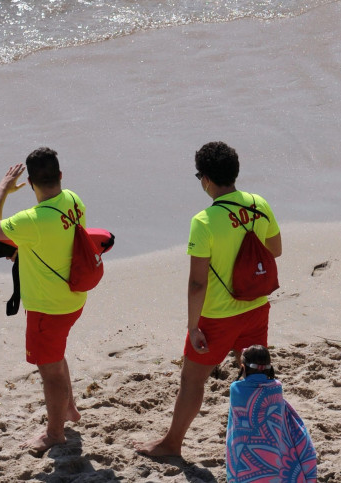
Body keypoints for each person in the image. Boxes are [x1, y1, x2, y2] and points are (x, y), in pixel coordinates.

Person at [136, 141, 282, 458]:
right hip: (257, 306)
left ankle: (171, 444)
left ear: (205, 179)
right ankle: (263, 439)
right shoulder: (259, 204)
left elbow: (198, 282)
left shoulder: (203, 221)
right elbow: (276, 249)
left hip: (218, 316)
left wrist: (192, 326)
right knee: (256, 375)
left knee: (192, 381)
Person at [0, 147, 87, 452]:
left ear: (29, 182)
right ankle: (69, 408)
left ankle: (55, 434)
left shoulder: (30, 221)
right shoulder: (73, 200)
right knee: (56, 355)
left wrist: (2, 189)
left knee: (49, 369)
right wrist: (24, 250)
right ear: (60, 176)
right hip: (73, 298)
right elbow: (57, 240)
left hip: (47, 307)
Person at [226, 345, 317, 482]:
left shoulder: (236, 389)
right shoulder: (276, 387)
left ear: (243, 368)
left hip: (244, 458)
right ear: (269, 367)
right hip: (273, 458)